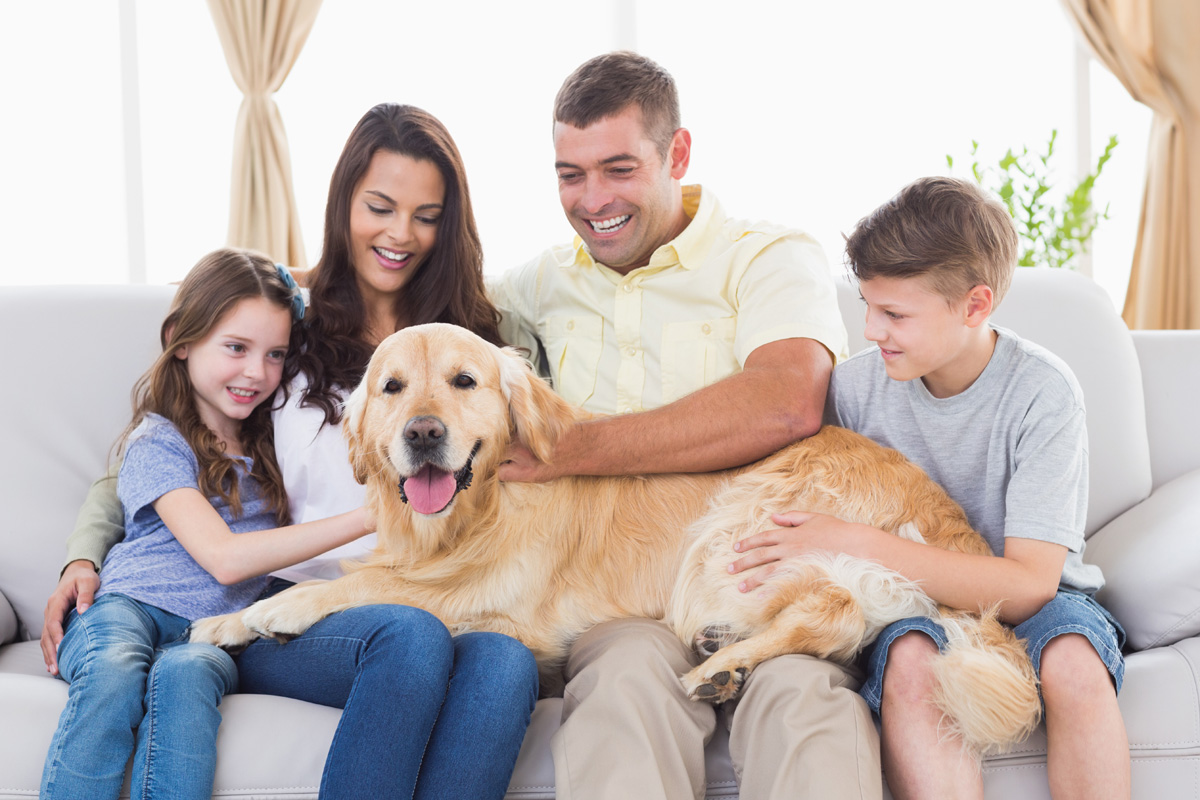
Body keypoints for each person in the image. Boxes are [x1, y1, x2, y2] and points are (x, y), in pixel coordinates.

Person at [41, 104, 539, 800]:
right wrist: (84, 552)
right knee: (410, 638)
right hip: (304, 597)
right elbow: (163, 443)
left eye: (426, 215)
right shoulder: (285, 326)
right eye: (379, 206)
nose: (400, 234)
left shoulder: (476, 339)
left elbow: (535, 462)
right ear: (343, 206)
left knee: (507, 663)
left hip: (444, 581)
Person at [491, 52, 877, 799]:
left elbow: (787, 399)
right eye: (570, 175)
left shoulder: (765, 256)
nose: (592, 198)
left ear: (678, 153)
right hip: (624, 596)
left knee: (804, 698)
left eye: (618, 168)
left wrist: (574, 450)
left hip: (764, 571)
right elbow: (420, 294)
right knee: (622, 687)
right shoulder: (540, 282)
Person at [730, 176, 1130, 799]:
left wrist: (858, 542)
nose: (870, 330)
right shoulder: (854, 391)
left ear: (974, 306)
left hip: (1031, 597)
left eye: (893, 314)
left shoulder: (1043, 394)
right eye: (866, 305)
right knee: (912, 664)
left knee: (1073, 664)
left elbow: (1028, 585)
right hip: (904, 602)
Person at [41, 248, 375, 799]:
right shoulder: (157, 441)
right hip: (131, 606)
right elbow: (224, 559)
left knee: (190, 674)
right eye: (236, 348)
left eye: (275, 355)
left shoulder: (278, 442)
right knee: (114, 674)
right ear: (183, 339)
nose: (256, 372)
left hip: (215, 631)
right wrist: (368, 519)